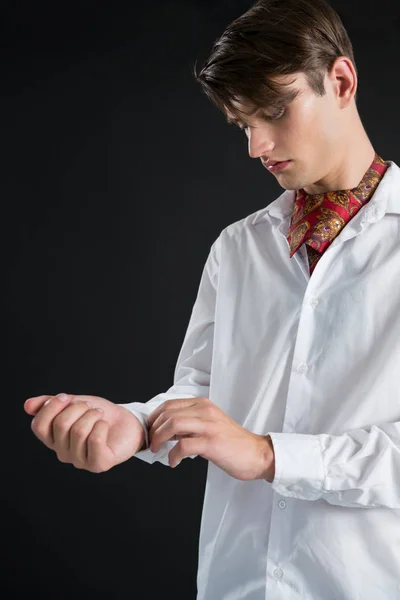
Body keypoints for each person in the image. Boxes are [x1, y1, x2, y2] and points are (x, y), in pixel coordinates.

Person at [24, 0, 400, 598]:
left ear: (341, 81)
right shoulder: (237, 248)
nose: (257, 147)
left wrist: (270, 455)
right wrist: (136, 424)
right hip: (235, 584)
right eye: (243, 124)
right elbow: (202, 389)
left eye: (275, 112)